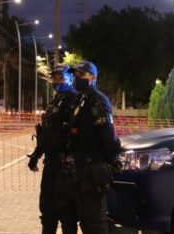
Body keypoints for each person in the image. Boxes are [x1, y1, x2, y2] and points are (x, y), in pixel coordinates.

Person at [69, 61, 121, 234]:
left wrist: (113, 156)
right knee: (84, 220)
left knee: (95, 222)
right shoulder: (80, 99)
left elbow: (107, 135)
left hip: (94, 169)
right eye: (75, 75)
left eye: (81, 75)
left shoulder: (98, 100)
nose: (77, 79)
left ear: (93, 77)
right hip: (81, 168)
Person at [27, 64, 80, 234]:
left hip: (65, 165)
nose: (57, 81)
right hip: (50, 163)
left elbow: (77, 134)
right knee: (47, 208)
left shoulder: (74, 99)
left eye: (61, 77)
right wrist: (36, 155)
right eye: (55, 78)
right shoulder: (55, 100)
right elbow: (46, 132)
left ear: (71, 78)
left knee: (66, 211)